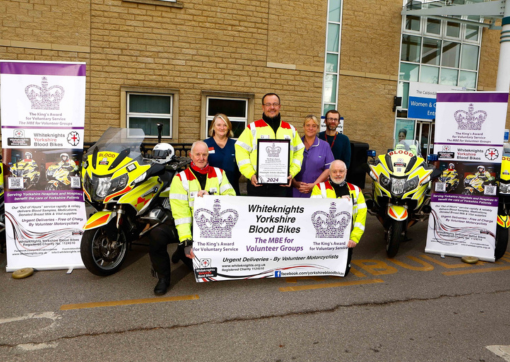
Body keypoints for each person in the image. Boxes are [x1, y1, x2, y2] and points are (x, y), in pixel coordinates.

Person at [149, 141, 236, 295]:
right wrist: (186, 240)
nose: (201, 158)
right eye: (197, 154)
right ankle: (163, 278)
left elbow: (231, 197)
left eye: (204, 154)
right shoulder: (180, 179)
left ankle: (181, 251)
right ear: (191, 156)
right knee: (156, 234)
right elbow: (181, 214)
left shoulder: (219, 174)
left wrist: (212, 197)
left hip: (209, 228)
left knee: (202, 269)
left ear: (207, 156)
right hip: (187, 227)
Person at [235, 93, 304, 197]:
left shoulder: (290, 129)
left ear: (279, 106)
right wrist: (250, 174)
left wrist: (291, 172)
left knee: (282, 213)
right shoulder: (252, 128)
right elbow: (241, 152)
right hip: (257, 184)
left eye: (275, 104)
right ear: (263, 107)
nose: (272, 107)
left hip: (282, 185)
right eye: (268, 104)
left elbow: (299, 152)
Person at [310, 160, 367, 276]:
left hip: (345, 240)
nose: (338, 174)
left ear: (346, 172)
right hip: (322, 240)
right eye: (334, 171)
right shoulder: (319, 188)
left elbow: (361, 216)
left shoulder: (356, 190)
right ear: (329, 173)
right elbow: (313, 211)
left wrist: (354, 238)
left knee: (344, 272)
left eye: (341, 171)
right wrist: (339, 203)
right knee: (320, 271)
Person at [291, 115, 334, 198]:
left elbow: (329, 169)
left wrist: (314, 185)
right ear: (303, 127)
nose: (310, 128)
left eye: (314, 126)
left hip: (317, 192)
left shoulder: (325, 146)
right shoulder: (295, 145)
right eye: (308, 125)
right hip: (296, 191)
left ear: (317, 128)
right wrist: (294, 183)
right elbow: (286, 166)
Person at [204, 113, 241, 195]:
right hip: (211, 190)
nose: (222, 128)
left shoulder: (236, 145)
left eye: (225, 125)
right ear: (213, 127)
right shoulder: (205, 144)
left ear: (228, 128)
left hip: (232, 189)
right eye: (219, 125)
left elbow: (240, 167)